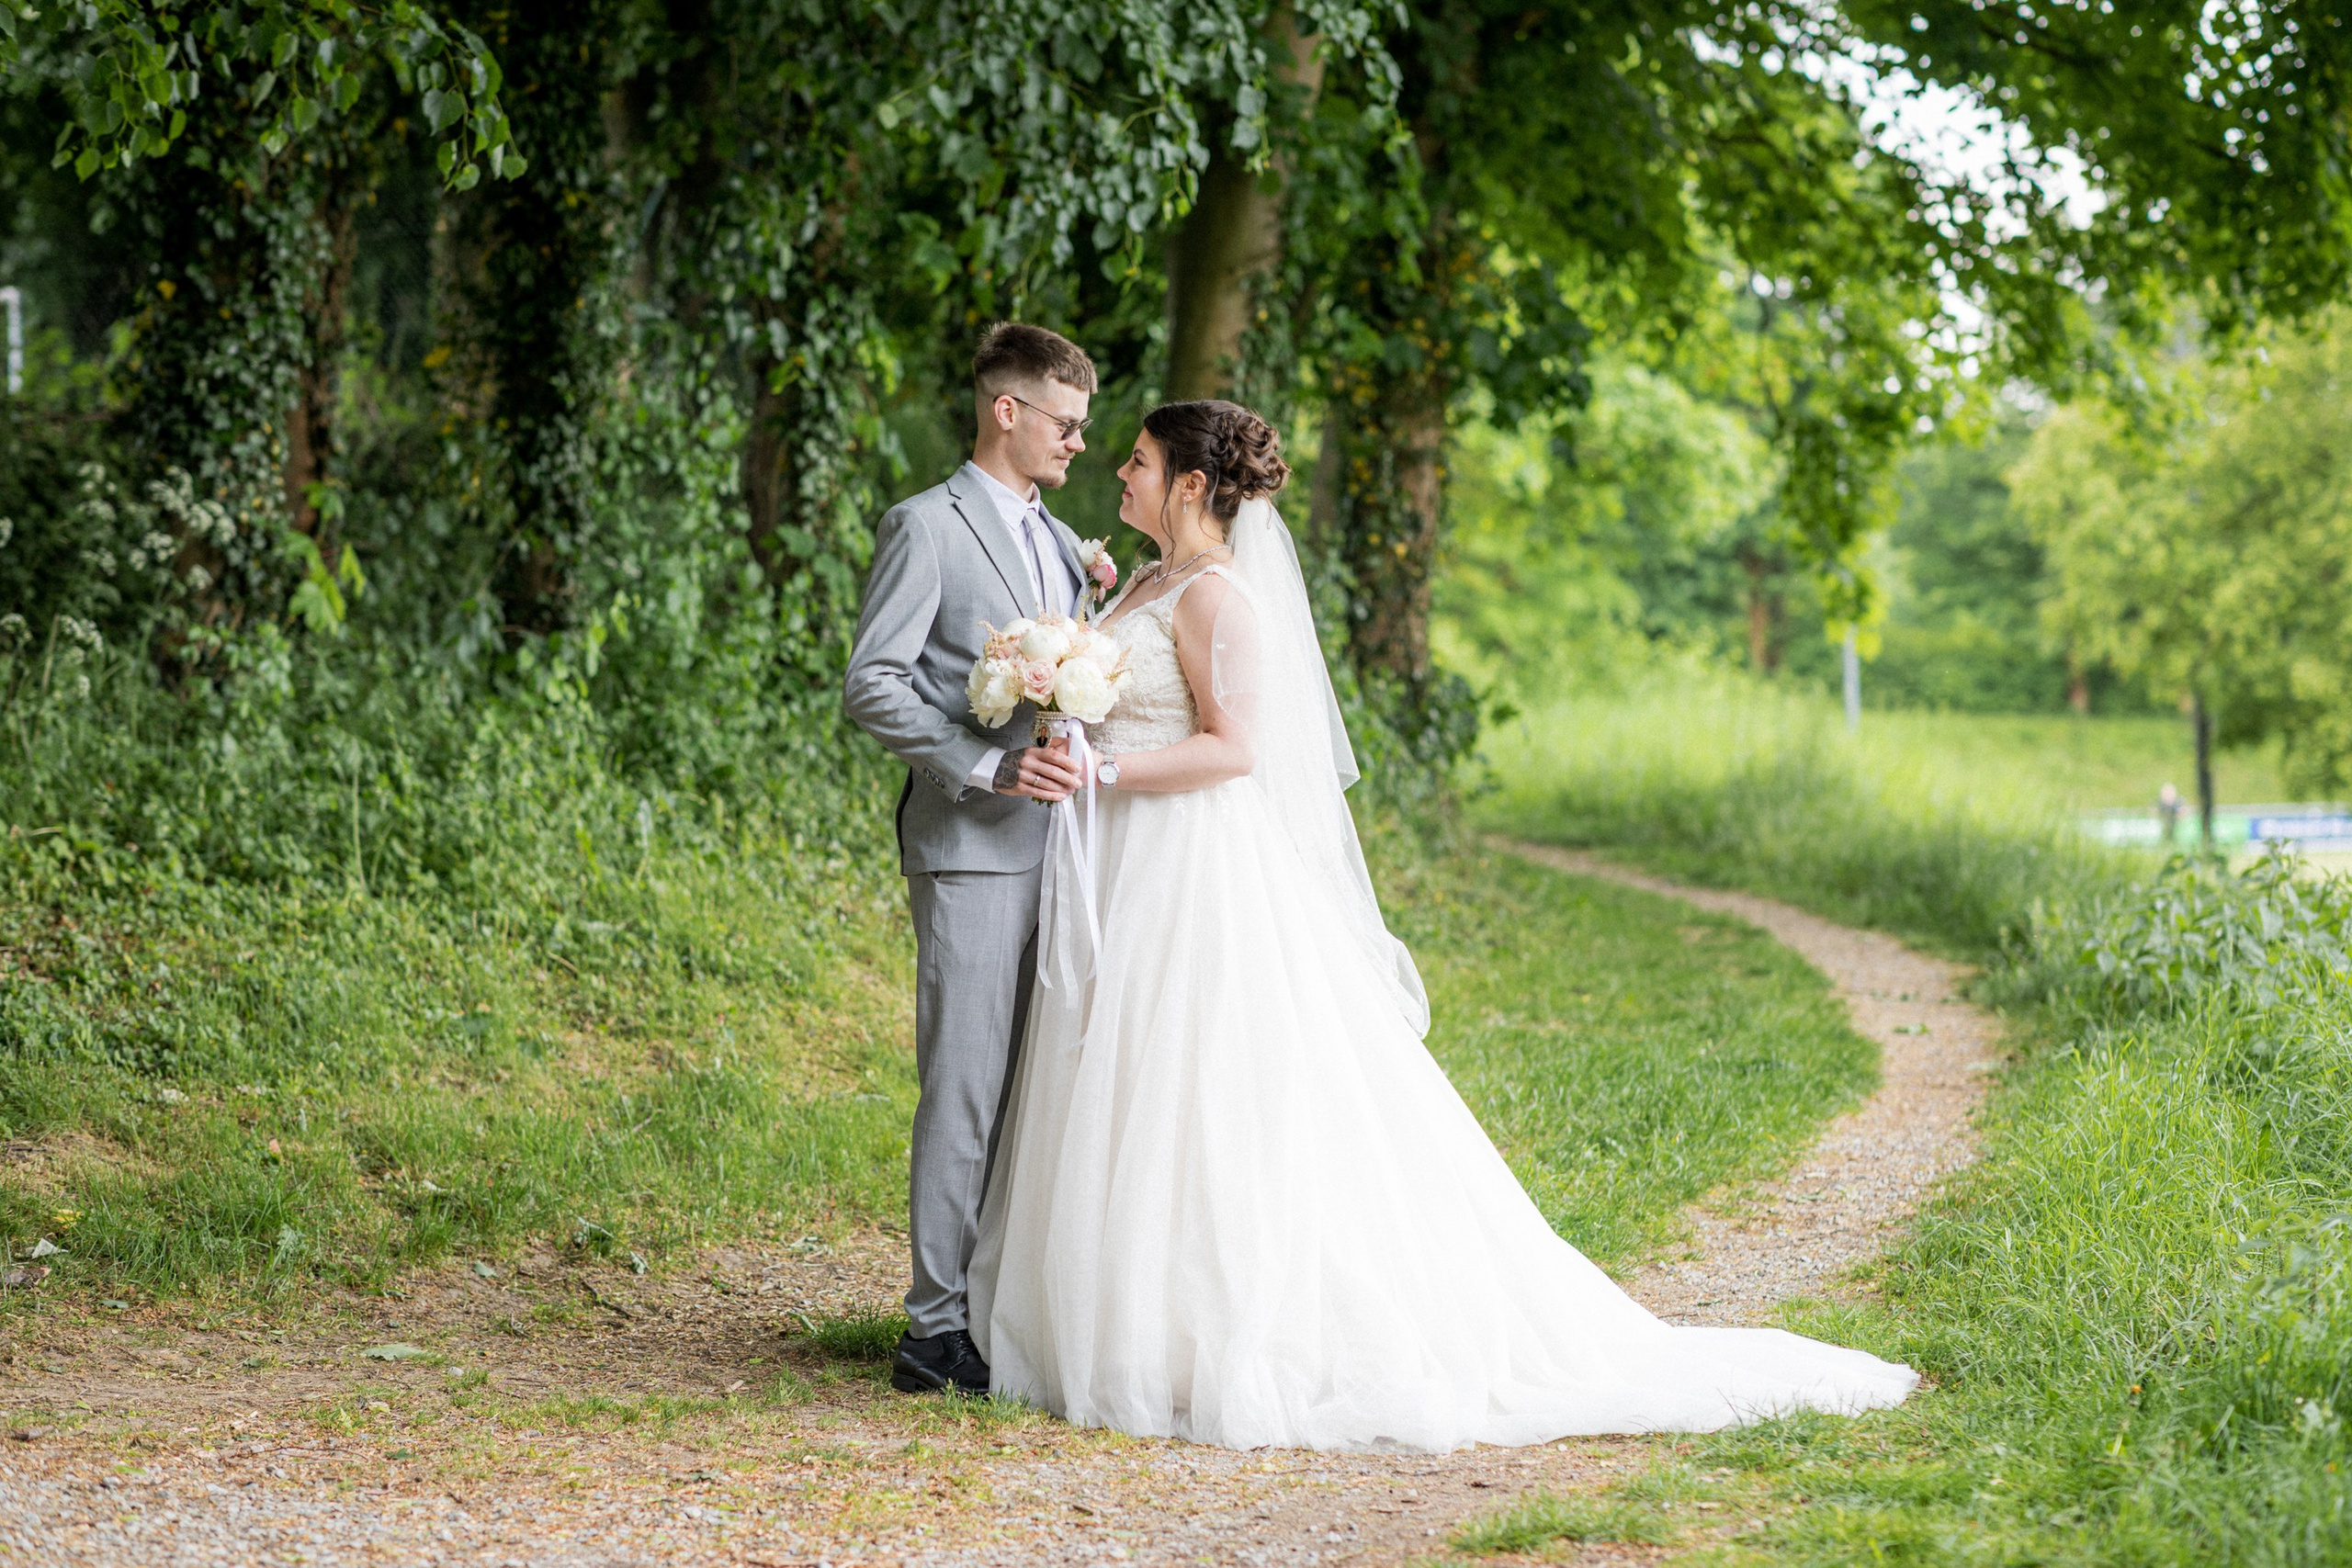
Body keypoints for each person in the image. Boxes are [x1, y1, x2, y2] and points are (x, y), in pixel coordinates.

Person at [966, 399, 1920, 1450]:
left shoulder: (1217, 598)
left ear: (1192, 485)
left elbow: (1237, 749)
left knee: (1198, 1086)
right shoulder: (1139, 580)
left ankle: (1212, 1329)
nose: (1121, 477)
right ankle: (1124, 1321)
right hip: (1119, 862)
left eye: (1138, 464)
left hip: (1190, 865)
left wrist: (1105, 766)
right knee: (1121, 1078)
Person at [842, 321, 1097, 1396]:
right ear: (1007, 410)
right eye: (1065, 423)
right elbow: (873, 683)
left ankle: (997, 1305)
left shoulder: (1069, 541)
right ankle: (932, 1328)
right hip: (969, 851)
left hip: (1071, 856)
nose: (1078, 444)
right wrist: (982, 772)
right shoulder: (925, 528)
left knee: (1043, 1089)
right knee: (964, 1087)